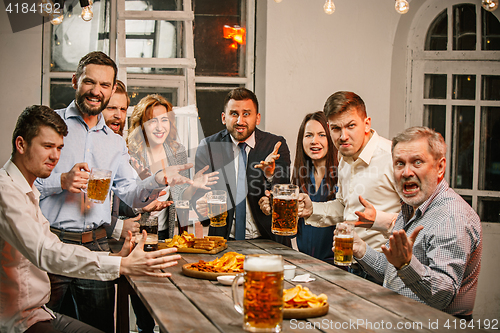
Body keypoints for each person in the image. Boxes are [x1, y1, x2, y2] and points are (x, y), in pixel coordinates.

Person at [35, 51, 193, 332]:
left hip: (97, 247)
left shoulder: (115, 143)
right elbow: (24, 183)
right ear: (75, 81)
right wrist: (61, 181)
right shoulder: (50, 125)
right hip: (52, 244)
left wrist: (158, 178)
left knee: (99, 328)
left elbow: (131, 193)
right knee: (38, 324)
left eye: (105, 85)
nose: (97, 91)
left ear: (111, 89)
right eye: (89, 82)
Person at [0, 105, 181, 333]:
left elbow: (130, 193)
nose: (55, 156)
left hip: (39, 313)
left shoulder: (26, 191)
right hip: (18, 322)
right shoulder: (6, 192)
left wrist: (113, 256)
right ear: (21, 144)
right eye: (47, 147)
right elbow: (46, 252)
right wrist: (120, 263)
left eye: (59, 148)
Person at [350, 126, 482, 319]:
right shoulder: (409, 208)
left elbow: (442, 295)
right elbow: (392, 272)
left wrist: (406, 265)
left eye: (417, 162)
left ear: (440, 167)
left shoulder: (452, 217)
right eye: (399, 164)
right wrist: (360, 249)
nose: (406, 172)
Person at [298, 91, 401, 280]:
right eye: (336, 128)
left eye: (351, 126)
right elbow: (345, 207)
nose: (343, 136)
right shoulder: (343, 156)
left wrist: (378, 219)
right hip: (351, 267)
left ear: (367, 124)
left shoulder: (394, 157)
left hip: (387, 270)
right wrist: (313, 209)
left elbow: (421, 217)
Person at [193, 87, 292, 245]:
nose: (240, 121)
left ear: (257, 118)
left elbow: (284, 192)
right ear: (224, 118)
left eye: (246, 114)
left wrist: (270, 174)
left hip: (270, 241)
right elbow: (199, 198)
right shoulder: (208, 147)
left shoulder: (275, 145)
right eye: (234, 114)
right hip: (222, 242)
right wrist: (200, 205)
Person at [127, 94, 218, 240]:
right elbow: (122, 200)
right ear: (141, 123)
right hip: (135, 232)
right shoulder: (129, 154)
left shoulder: (177, 152)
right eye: (152, 121)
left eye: (164, 120)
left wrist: (193, 185)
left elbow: (182, 196)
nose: (159, 127)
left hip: (164, 232)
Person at [259, 111, 338, 262]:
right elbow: (291, 231)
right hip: (305, 262)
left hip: (337, 266)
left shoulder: (342, 175)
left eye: (322, 135)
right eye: (308, 135)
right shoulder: (300, 178)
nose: (315, 141)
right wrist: (273, 205)